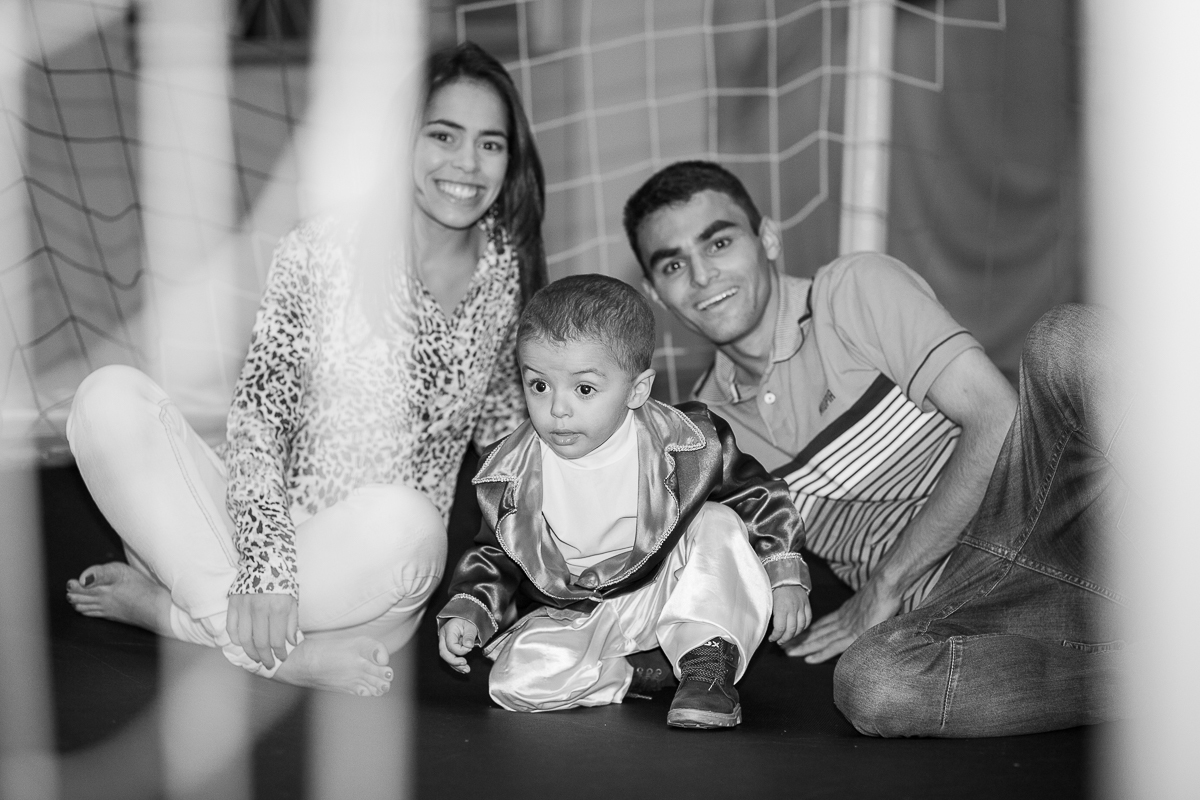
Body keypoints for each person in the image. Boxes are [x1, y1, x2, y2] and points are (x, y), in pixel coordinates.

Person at [64, 41, 546, 697]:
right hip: (242, 554)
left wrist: (530, 579)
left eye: (490, 143)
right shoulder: (321, 249)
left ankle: (177, 615)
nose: (466, 162)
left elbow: (508, 451)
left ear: (511, 160)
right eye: (443, 134)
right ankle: (274, 654)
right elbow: (258, 417)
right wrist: (265, 568)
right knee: (107, 397)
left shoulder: (509, 278)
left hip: (369, 579)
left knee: (410, 524)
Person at [622, 160, 1127, 736]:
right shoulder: (703, 432)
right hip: (968, 610)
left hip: (1055, 522)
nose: (702, 275)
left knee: (1071, 341)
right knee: (874, 685)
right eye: (673, 264)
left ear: (767, 238)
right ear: (655, 293)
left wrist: (884, 585)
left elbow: (997, 418)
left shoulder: (852, 290)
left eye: (719, 242)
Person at [435, 274, 811, 728]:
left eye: (584, 389)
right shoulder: (511, 471)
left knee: (717, 522)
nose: (557, 409)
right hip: (586, 609)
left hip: (672, 587)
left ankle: (705, 663)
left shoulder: (688, 443)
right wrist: (471, 609)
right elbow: (495, 554)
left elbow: (758, 495)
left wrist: (784, 573)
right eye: (539, 385)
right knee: (513, 682)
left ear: (637, 390)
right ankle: (632, 672)